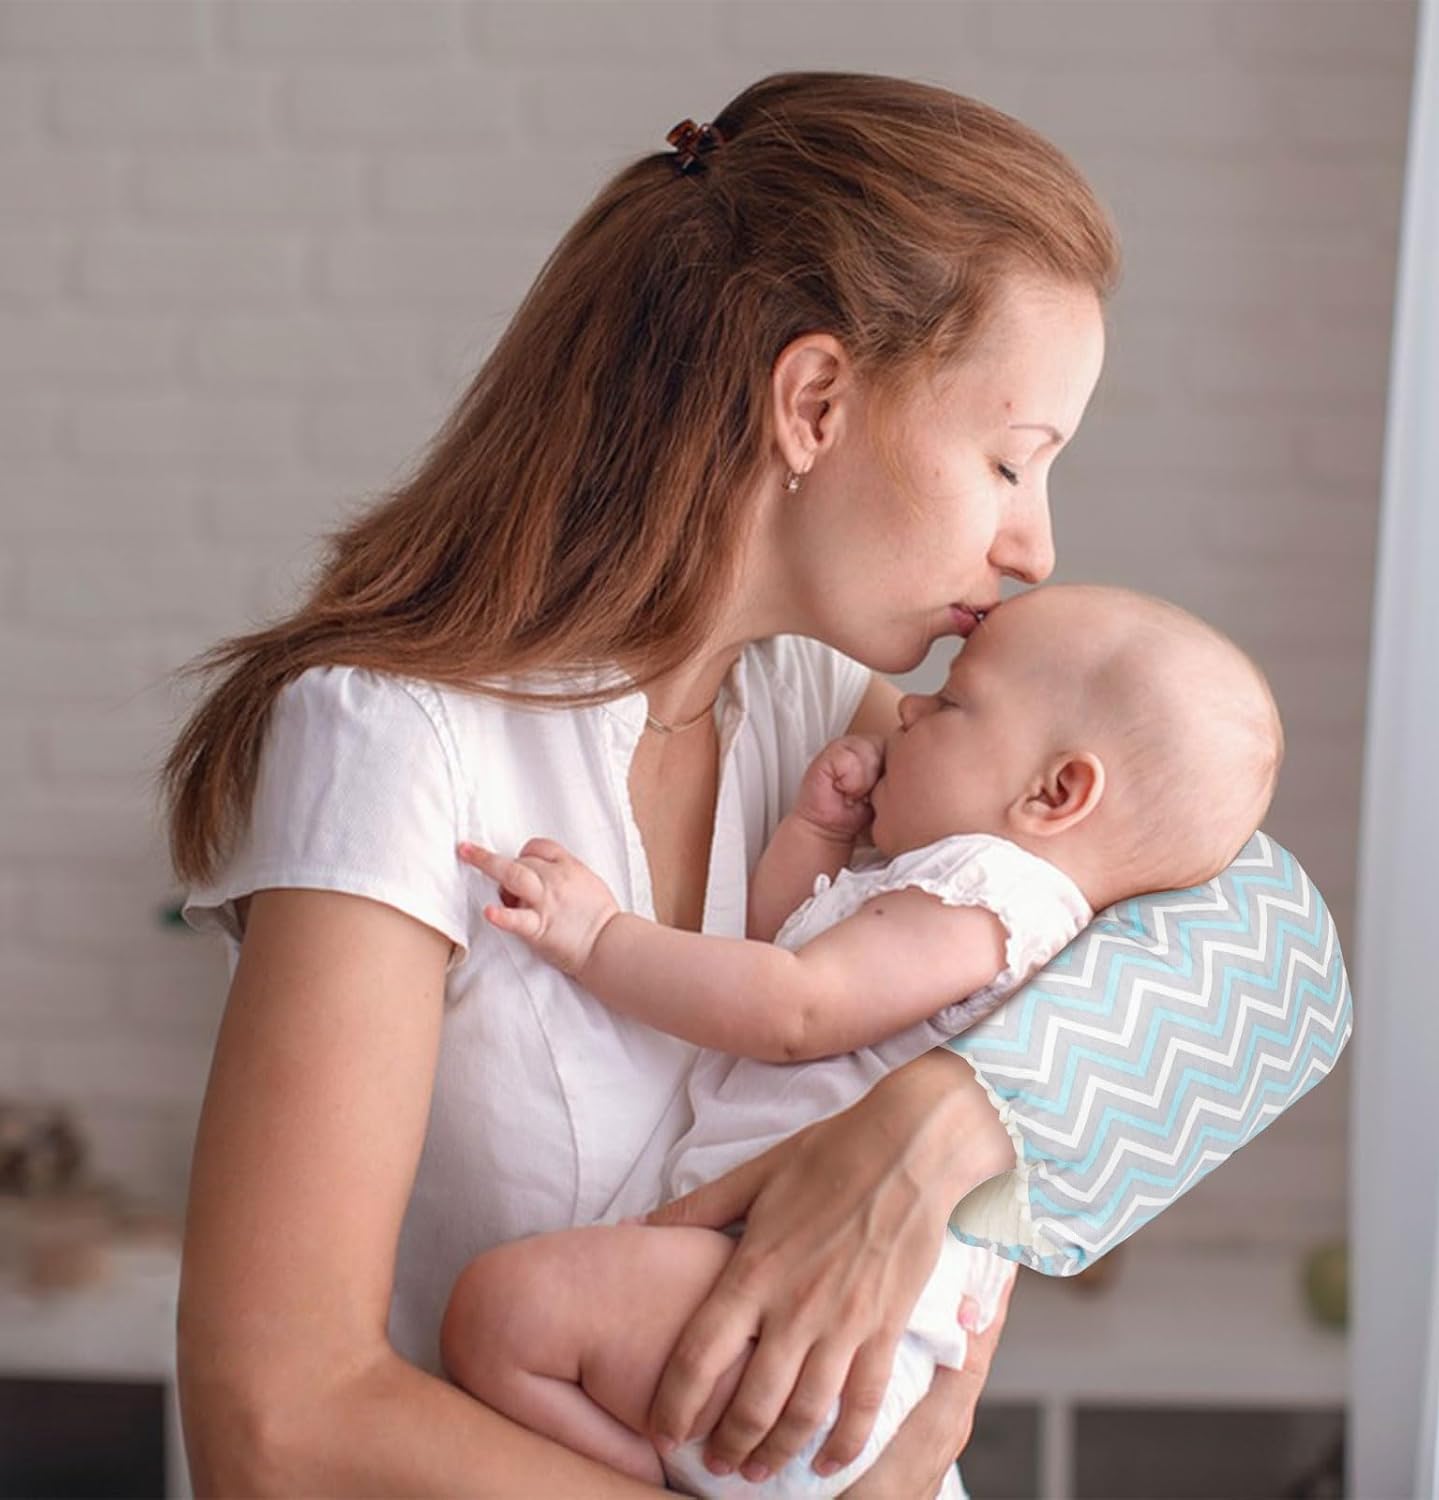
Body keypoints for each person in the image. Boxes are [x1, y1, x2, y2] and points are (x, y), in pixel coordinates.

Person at [162, 71, 1131, 1496]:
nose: (1036, 548)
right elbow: (276, 1422)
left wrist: (950, 1128)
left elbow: (1272, 960)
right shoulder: (397, 743)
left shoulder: (841, 727)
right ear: (813, 401)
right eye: (1009, 460)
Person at [439, 583, 1283, 1496]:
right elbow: (785, 953)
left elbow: (794, 1010)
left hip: (797, 1324)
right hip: (792, 1315)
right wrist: (818, 836)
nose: (910, 708)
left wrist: (600, 941)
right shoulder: (947, 887)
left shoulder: (992, 894)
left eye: (953, 702)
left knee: (503, 1317)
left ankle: (645, 1471)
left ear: (1055, 792)